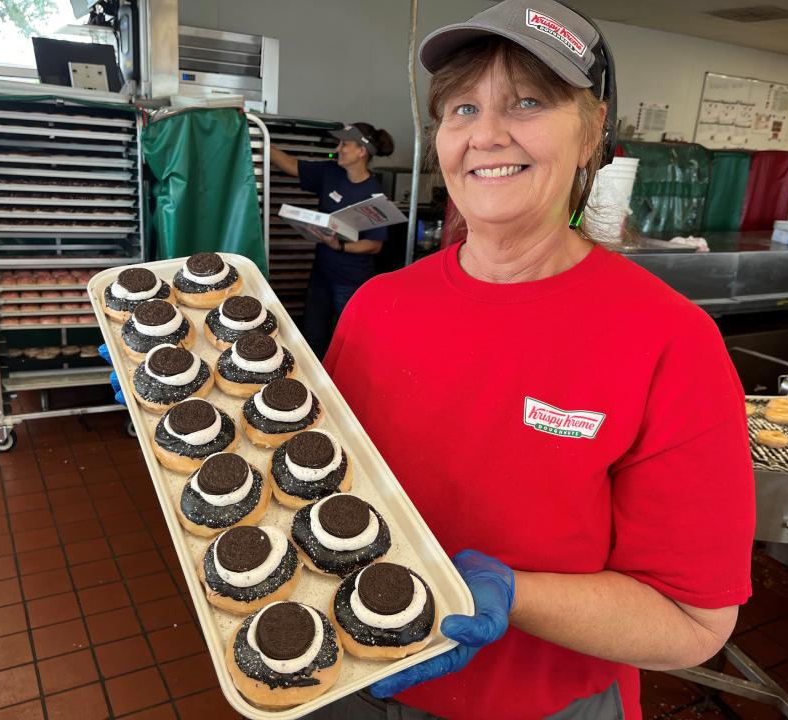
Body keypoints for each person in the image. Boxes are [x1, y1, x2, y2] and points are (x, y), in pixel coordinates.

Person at [312, 2, 755, 719]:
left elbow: (692, 623)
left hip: (544, 703)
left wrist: (514, 594)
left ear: (591, 133)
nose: (486, 135)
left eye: (527, 102)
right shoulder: (376, 308)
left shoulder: (668, 341)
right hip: (350, 679)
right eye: (461, 108)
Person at [270, 122, 394, 358]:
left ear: (361, 151)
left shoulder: (375, 195)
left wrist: (341, 245)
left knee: (352, 342)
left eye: (344, 144)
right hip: (321, 276)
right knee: (313, 336)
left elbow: (374, 245)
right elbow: (291, 165)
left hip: (350, 282)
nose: (338, 149)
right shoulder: (330, 173)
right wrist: (261, 139)